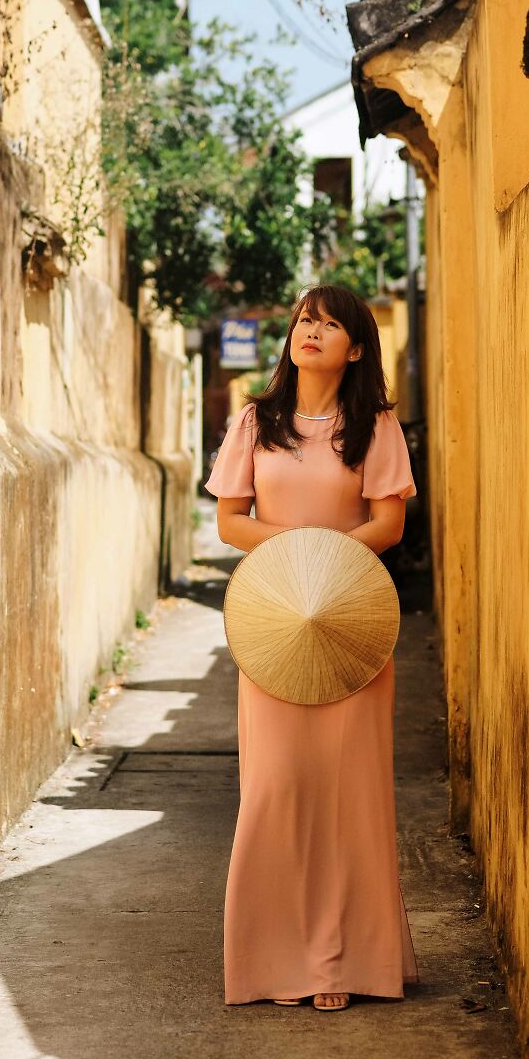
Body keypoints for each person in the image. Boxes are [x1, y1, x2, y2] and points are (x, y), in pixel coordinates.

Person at [205, 283, 420, 1011]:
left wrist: (327, 571)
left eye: (330, 324)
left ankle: (336, 961)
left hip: (353, 621)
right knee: (276, 788)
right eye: (305, 320)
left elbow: (388, 523)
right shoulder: (255, 421)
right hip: (273, 623)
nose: (312, 331)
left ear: (355, 346)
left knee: (348, 795)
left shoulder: (374, 425)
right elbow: (231, 521)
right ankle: (272, 961)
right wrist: (298, 560)